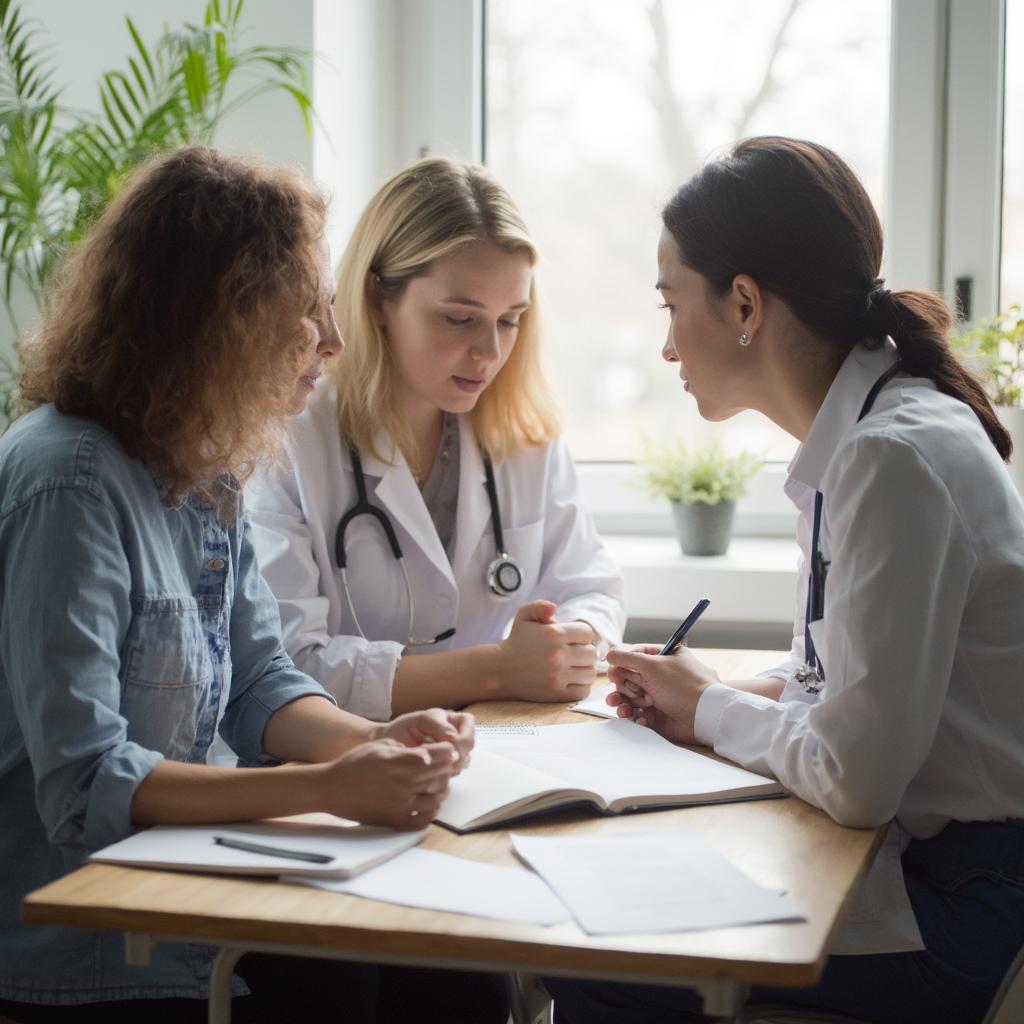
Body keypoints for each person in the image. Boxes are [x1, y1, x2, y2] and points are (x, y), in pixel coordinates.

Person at [0, 145, 507, 1024]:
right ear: (220, 314)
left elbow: (261, 681)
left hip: (191, 890)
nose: (335, 340)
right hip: (84, 948)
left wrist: (370, 742)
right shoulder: (67, 481)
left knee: (453, 971)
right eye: (307, 309)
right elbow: (87, 782)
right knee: (350, 989)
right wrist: (326, 788)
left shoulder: (205, 466)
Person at [545, 136, 1024, 1024]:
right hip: (937, 861)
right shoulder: (864, 433)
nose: (664, 347)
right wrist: (703, 693)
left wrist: (711, 708)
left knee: (600, 958)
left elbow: (857, 779)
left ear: (745, 304)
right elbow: (841, 679)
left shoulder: (893, 459)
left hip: (966, 900)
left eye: (670, 304)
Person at [246, 156, 626, 721]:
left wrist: (572, 638)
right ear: (378, 298)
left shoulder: (522, 431)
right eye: (459, 318)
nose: (490, 354)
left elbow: (592, 586)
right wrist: (500, 668)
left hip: (493, 745)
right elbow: (289, 667)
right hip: (329, 771)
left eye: (509, 319)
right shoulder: (288, 436)